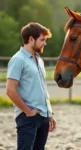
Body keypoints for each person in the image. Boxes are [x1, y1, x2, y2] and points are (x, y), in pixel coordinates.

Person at [6, 22, 56, 150]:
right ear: (31, 39)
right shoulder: (18, 60)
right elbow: (10, 90)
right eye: (42, 40)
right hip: (28, 117)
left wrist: (49, 113)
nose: (45, 43)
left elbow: (43, 89)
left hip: (43, 116)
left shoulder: (39, 60)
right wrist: (28, 111)